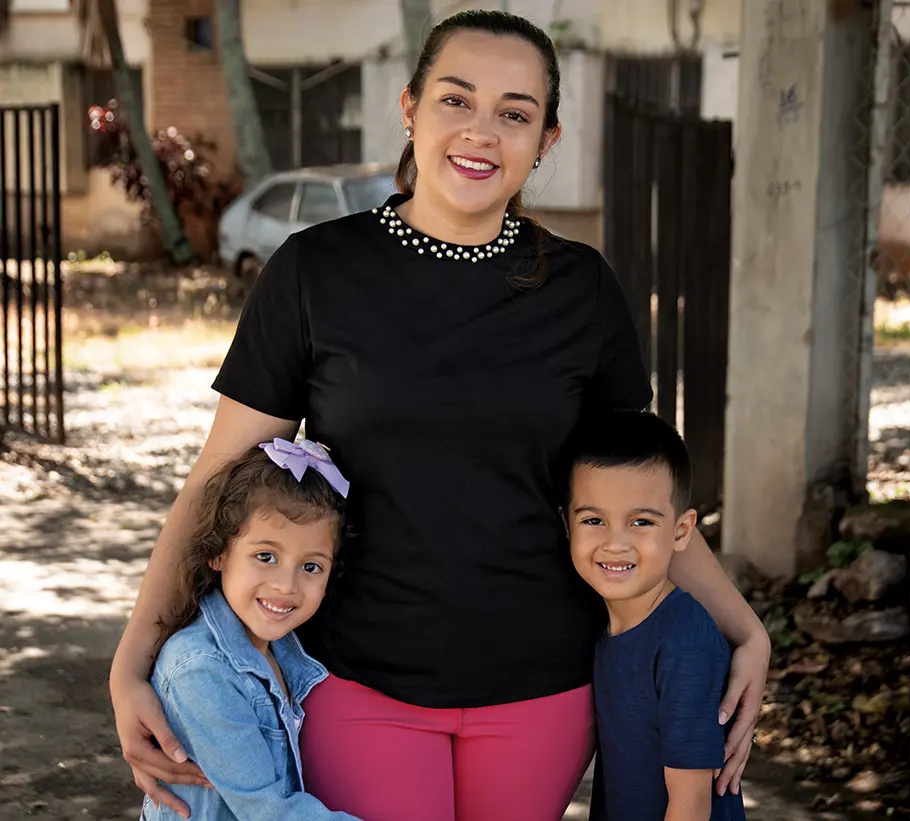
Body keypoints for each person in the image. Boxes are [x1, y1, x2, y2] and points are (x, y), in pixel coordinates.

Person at [110, 10, 770, 821]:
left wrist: (745, 629)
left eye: (515, 114)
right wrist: (132, 661)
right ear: (410, 107)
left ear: (547, 138)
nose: (482, 132)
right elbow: (217, 478)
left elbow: (639, 497)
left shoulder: (583, 290)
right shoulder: (314, 271)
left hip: (541, 686)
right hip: (356, 677)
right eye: (457, 100)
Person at [140, 438, 361, 821]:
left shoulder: (284, 647)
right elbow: (268, 810)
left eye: (311, 566)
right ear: (218, 552)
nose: (286, 585)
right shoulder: (202, 670)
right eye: (266, 556)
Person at [564, 411, 746, 821]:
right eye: (594, 520)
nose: (615, 544)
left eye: (641, 522)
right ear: (567, 525)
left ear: (681, 532)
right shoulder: (605, 622)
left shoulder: (685, 643)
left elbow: (690, 802)